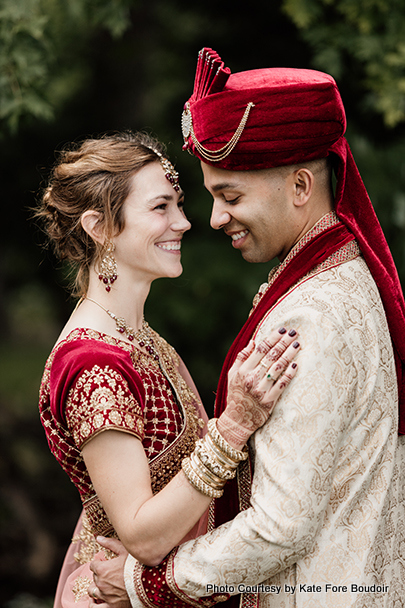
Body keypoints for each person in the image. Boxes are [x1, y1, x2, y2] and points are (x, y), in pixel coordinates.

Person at [91, 49, 405, 608]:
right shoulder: (345, 276)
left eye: (230, 196)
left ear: (301, 186)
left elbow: (280, 526)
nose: (213, 219)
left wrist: (145, 586)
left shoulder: (309, 316)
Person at [36, 131, 300, 607]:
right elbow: (142, 534)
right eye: (160, 208)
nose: (182, 222)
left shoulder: (135, 336)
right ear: (99, 227)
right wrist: (235, 426)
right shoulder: (94, 364)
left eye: (178, 205)